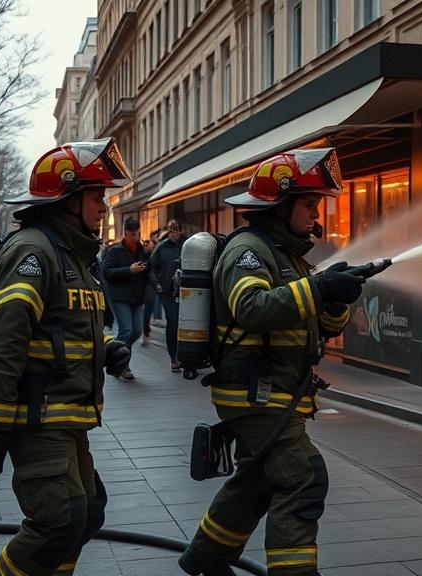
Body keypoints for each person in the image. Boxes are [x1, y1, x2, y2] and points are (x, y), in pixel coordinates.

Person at [178, 148, 365, 576]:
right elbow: (252, 307)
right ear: (279, 204)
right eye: (307, 203)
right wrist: (317, 290)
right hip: (254, 391)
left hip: (274, 391)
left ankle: (204, 558)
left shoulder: (288, 255)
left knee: (257, 480)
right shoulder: (249, 251)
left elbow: (318, 323)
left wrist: (335, 295)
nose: (314, 214)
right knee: (303, 478)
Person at [0, 138, 132, 576]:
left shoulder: (73, 255)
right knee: (58, 522)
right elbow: (4, 340)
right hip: (37, 413)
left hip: (66, 414)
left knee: (86, 513)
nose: (104, 207)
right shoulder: (32, 251)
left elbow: (67, 325)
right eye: (97, 196)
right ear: (67, 198)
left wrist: (108, 348)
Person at [101, 217, 149, 380]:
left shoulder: (142, 250)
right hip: (120, 297)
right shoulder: (115, 251)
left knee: (136, 331)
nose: (135, 236)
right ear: (126, 233)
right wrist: (129, 270)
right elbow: (107, 272)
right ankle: (122, 366)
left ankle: (117, 351)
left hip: (137, 296)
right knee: (127, 330)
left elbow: (149, 269)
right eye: (132, 233)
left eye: (137, 232)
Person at [149, 219, 185, 372]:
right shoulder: (161, 247)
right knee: (173, 323)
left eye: (177, 230)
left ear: (181, 231)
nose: (174, 233)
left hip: (186, 292)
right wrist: (157, 284)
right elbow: (152, 267)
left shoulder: (187, 245)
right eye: (171, 230)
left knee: (186, 325)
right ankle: (173, 357)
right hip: (168, 292)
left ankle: (188, 357)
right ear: (168, 232)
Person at [141, 235, 163, 344]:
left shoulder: (154, 255)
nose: (147, 246)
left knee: (149, 306)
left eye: (148, 244)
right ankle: (144, 331)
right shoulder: (141, 254)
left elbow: (153, 271)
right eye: (145, 244)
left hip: (149, 284)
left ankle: (146, 331)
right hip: (140, 283)